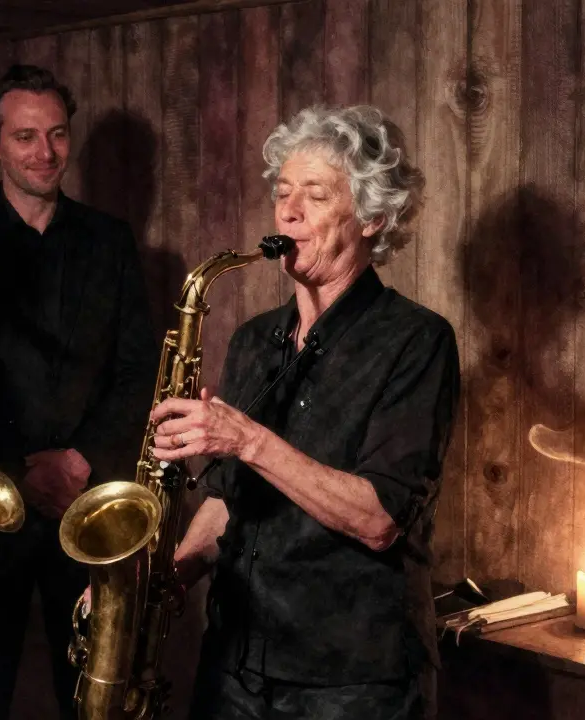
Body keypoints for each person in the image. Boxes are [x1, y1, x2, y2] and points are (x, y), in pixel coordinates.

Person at [153, 105, 459, 720]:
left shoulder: (416, 341)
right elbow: (227, 501)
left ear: (373, 217)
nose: (287, 212)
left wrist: (248, 440)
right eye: (282, 192)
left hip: (349, 678)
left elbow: (378, 518)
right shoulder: (253, 339)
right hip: (235, 663)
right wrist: (169, 578)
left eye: (315, 196)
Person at [0, 64, 158, 720]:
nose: (44, 153)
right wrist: (24, 467)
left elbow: (138, 371)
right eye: (25, 137)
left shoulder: (110, 240)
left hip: (89, 499)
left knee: (94, 692)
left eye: (56, 134)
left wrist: (77, 460)